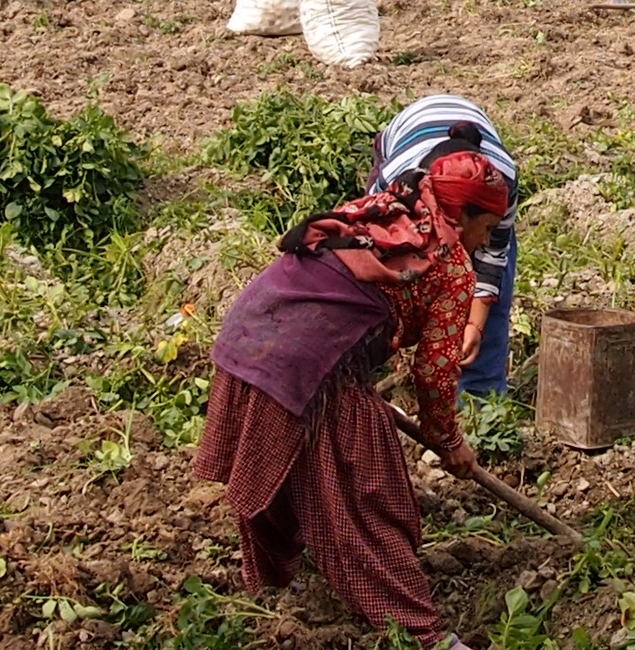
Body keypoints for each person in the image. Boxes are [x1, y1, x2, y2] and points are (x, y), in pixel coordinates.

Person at [194, 149, 512, 648]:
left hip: (251, 332)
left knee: (277, 474)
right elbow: (432, 375)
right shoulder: (450, 267)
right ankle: (422, 635)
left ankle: (277, 586)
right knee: (367, 502)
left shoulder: (390, 205)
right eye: (486, 226)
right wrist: (449, 441)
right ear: (464, 214)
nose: (486, 240)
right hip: (311, 361)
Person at [368, 97, 518, 397]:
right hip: (405, 138)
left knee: (491, 276)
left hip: (469, 140)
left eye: (490, 227)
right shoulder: (394, 187)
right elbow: (375, 257)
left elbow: (493, 257)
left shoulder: (502, 182)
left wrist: (474, 326)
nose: (486, 239)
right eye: (484, 230)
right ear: (455, 218)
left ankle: (479, 393)